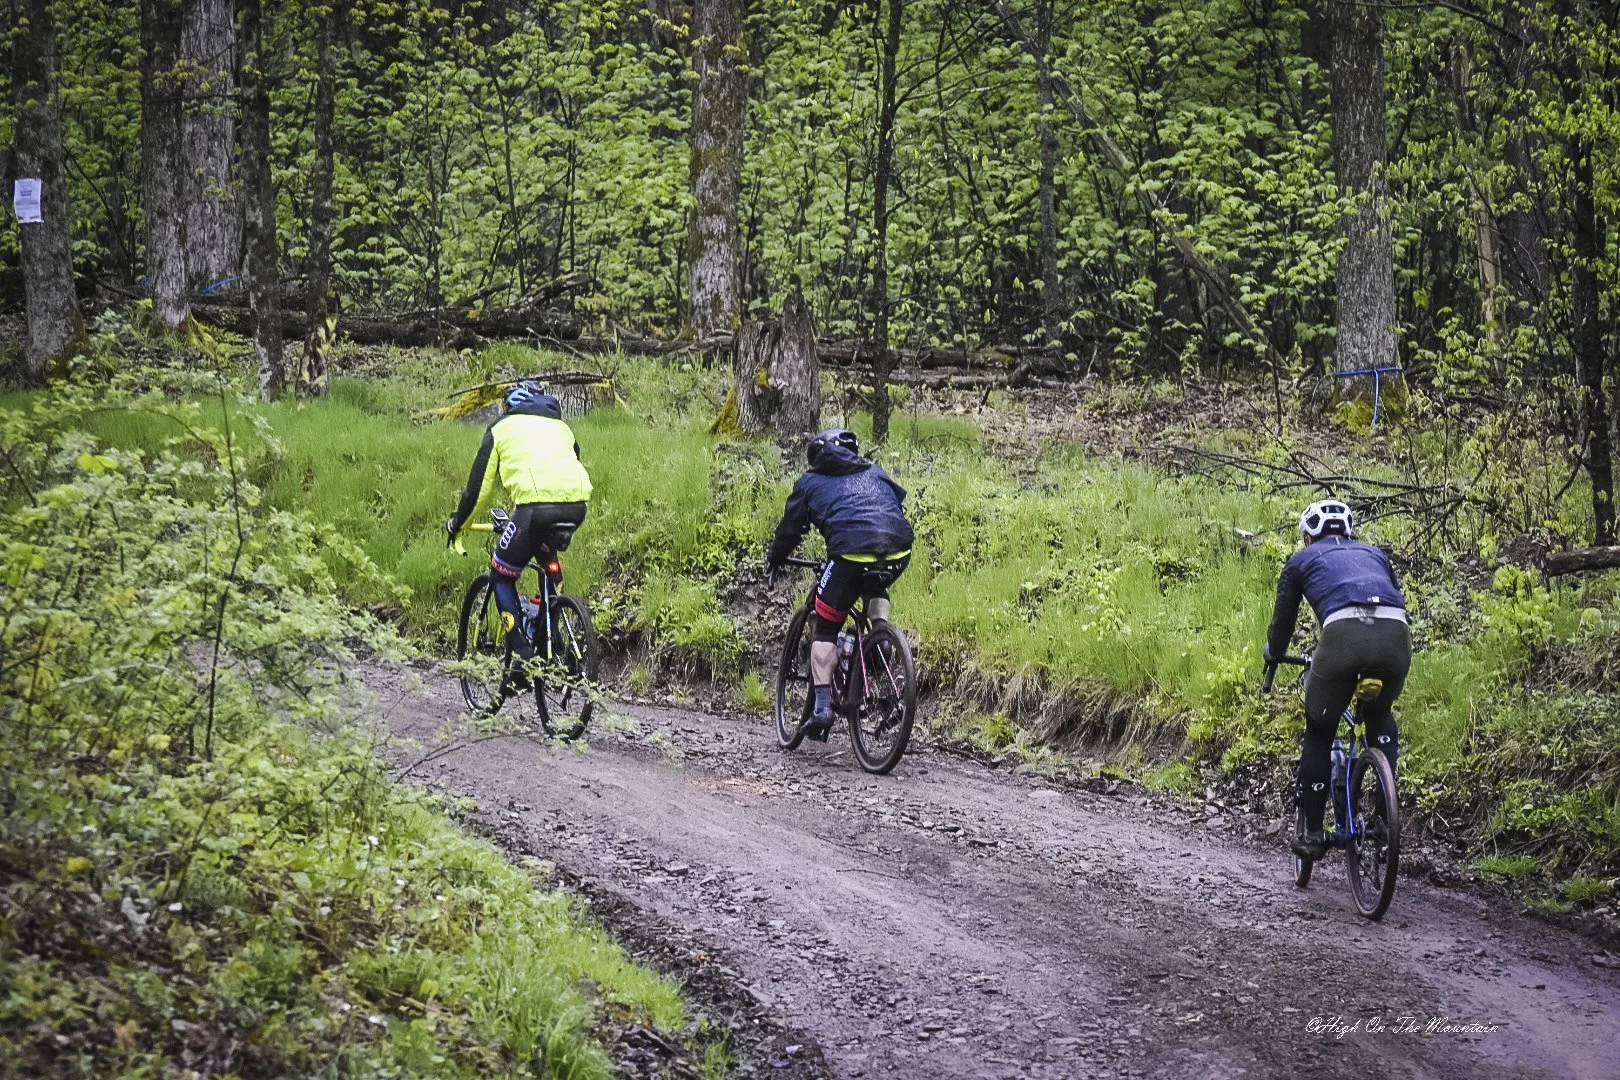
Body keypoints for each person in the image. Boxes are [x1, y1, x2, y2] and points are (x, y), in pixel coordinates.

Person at [1266, 499, 1411, 860]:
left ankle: (1313, 832)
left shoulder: (1301, 560)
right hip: (1396, 633)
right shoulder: (1375, 553)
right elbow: (1394, 597)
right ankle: (1383, 813)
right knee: (1379, 715)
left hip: (1342, 637)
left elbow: (1283, 623)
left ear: (1307, 537)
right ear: (1348, 532)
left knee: (1320, 728)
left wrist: (1273, 654)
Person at [767, 428, 915, 738]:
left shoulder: (809, 482)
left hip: (849, 553)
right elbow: (895, 505)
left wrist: (776, 558)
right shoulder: (875, 472)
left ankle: (822, 709)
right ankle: (882, 639)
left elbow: (790, 529)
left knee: (825, 627)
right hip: (898, 548)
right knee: (875, 582)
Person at [447, 380, 592, 660]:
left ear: (510, 406)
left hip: (534, 510)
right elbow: (567, 466)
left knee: (501, 575)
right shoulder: (562, 428)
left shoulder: (501, 428)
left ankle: (525, 657)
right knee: (548, 564)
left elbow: (477, 493)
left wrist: (458, 522)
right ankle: (554, 637)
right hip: (576, 507)